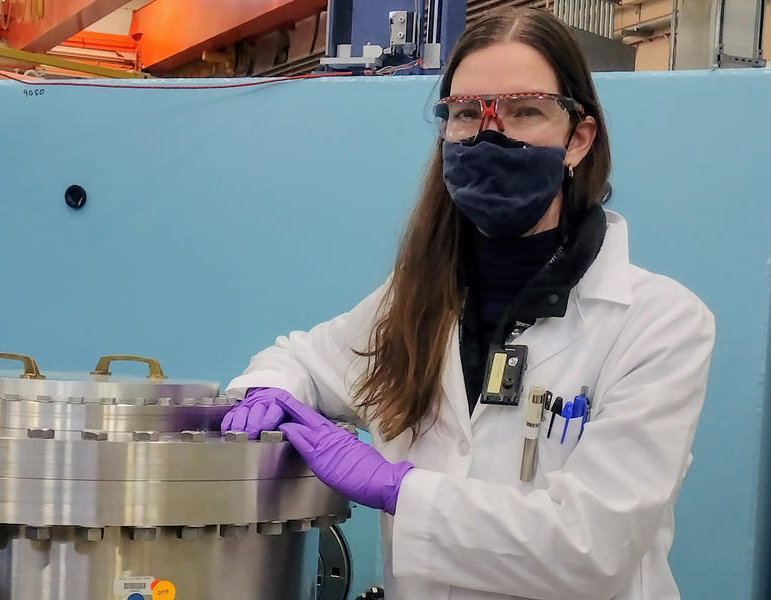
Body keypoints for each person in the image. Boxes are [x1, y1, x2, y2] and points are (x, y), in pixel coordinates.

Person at [222, 7, 715, 600]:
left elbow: (592, 548)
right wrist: (266, 392)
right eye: (465, 114)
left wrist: (398, 488)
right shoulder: (414, 302)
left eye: (525, 110)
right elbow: (300, 360)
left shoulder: (659, 322)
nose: (489, 133)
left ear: (578, 138)